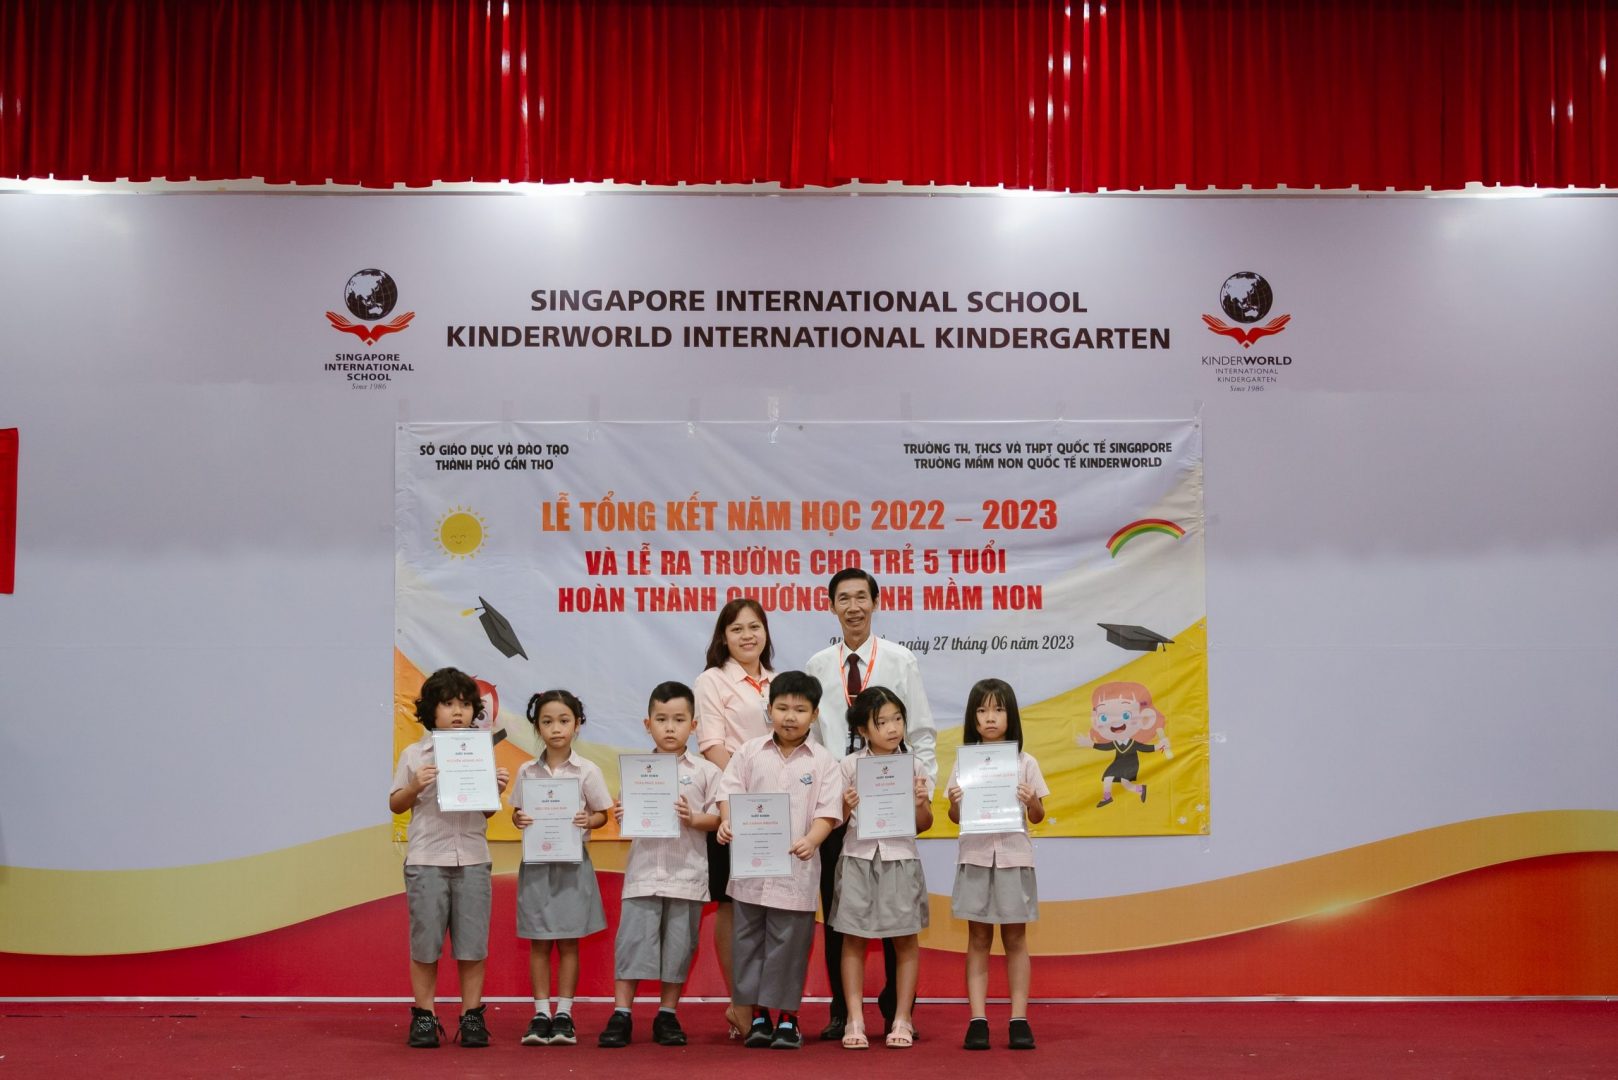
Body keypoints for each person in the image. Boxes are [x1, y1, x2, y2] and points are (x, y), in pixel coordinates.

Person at [804, 568, 937, 1039]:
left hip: (893, 803)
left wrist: (921, 791)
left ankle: (899, 1012)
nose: (854, 607)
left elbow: (921, 731)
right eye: (844, 598)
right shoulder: (818, 664)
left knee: (899, 918)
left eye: (862, 597)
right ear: (831, 607)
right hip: (838, 802)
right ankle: (845, 1012)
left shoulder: (900, 660)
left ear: (875, 602)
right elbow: (813, 738)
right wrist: (824, 801)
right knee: (841, 915)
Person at [716, 670, 843, 1050]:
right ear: (769, 709)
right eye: (782, 708)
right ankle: (758, 1016)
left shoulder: (824, 761)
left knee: (789, 946)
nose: (790, 716)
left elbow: (828, 812)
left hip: (796, 873)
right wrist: (726, 821)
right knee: (748, 944)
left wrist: (812, 840)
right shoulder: (749, 752)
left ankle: (788, 1018)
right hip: (750, 873)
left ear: (815, 714)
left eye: (800, 710)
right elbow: (729, 793)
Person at [389, 667, 511, 1049]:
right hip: (427, 858)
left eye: (465, 704)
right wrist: (414, 785)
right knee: (426, 945)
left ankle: (471, 1016)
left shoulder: (481, 752)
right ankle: (424, 1016)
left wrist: (494, 790)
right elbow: (396, 804)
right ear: (431, 710)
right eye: (447, 704)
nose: (458, 711)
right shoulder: (414, 754)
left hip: (472, 857)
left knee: (473, 945)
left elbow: (486, 811)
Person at [597, 681, 723, 1048]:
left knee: (679, 948)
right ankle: (621, 1014)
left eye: (679, 720)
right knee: (632, 944)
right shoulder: (638, 770)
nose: (670, 727)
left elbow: (719, 818)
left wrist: (693, 818)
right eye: (662, 719)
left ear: (693, 726)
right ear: (647, 723)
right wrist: (624, 814)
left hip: (687, 875)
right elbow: (628, 815)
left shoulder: (706, 771)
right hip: (644, 874)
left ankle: (667, 1014)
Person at [829, 686, 933, 1050]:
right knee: (853, 939)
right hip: (858, 857)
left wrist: (920, 803)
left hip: (900, 857)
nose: (892, 728)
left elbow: (925, 824)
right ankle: (854, 1019)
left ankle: (902, 1018)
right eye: (882, 722)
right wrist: (846, 805)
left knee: (905, 939)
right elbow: (837, 821)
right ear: (863, 730)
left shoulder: (914, 766)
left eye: (897, 719)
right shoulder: (848, 766)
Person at [947, 678, 1048, 1051]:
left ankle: (1019, 1019)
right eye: (982, 710)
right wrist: (955, 801)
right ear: (972, 717)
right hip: (975, 856)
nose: (990, 718)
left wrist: (1031, 799)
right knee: (978, 939)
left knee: (1016, 939)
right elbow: (955, 817)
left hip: (1013, 857)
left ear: (1011, 716)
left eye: (998, 710)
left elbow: (1038, 815)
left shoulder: (1025, 762)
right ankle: (978, 1020)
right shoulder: (964, 763)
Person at [693, 598, 775, 1038]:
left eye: (754, 626)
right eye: (737, 629)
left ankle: (768, 1002)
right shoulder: (712, 680)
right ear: (723, 638)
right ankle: (740, 1002)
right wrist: (747, 789)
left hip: (778, 811)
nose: (747, 635)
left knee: (769, 905)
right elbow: (711, 745)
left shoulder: (779, 682)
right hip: (732, 805)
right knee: (731, 905)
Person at [511, 689, 613, 1047]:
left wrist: (590, 819)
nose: (556, 728)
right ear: (537, 727)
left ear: (577, 725)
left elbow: (603, 814)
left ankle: (565, 1014)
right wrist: (519, 819)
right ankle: (541, 1013)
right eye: (547, 722)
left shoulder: (588, 770)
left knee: (569, 942)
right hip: (537, 866)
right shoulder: (526, 770)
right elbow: (518, 813)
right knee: (539, 942)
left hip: (572, 864)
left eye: (564, 720)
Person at [1076, 680, 1172, 806]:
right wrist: (1091, 744)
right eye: (1104, 717)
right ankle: (1134, 791)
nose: (1116, 722)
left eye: (1126, 715)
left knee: (1117, 781)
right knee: (1118, 781)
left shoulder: (1133, 743)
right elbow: (1106, 747)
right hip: (1118, 763)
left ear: (1144, 718)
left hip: (1130, 764)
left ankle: (1112, 796)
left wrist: (1159, 745)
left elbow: (1145, 748)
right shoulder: (1115, 742)